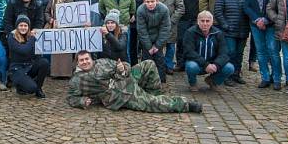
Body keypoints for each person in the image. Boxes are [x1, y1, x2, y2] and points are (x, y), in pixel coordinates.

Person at [67, 51, 202, 113]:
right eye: (81, 60)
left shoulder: (102, 62)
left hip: (126, 78)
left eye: (87, 59)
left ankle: (155, 93)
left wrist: (123, 68)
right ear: (77, 62)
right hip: (120, 95)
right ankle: (186, 105)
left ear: (91, 59)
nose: (85, 62)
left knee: (148, 64)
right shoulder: (77, 80)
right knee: (151, 103)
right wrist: (81, 101)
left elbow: (123, 65)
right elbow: (71, 97)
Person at [244, 0, 281, 89]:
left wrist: (266, 20)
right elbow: (246, 6)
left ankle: (276, 78)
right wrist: (256, 20)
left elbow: (277, 6)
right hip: (255, 25)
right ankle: (265, 77)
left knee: (273, 51)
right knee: (260, 52)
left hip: (271, 24)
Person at [182, 11, 235, 91]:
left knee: (229, 68)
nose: (205, 23)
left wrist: (216, 65)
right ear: (198, 21)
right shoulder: (190, 32)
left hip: (213, 64)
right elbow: (189, 52)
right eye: (202, 21)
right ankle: (192, 83)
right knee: (191, 67)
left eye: (207, 21)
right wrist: (205, 64)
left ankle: (213, 81)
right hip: (197, 63)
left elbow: (224, 53)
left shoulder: (218, 33)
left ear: (212, 22)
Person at [213, 0, 249, 85]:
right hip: (229, 31)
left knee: (239, 54)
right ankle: (227, 76)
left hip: (242, 30)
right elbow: (218, 13)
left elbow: (247, 10)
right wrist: (225, 25)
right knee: (230, 53)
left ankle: (236, 75)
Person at [7, 15, 49, 98]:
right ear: (17, 26)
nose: (23, 28)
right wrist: (33, 39)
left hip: (29, 66)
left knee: (44, 62)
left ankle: (39, 89)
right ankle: (20, 85)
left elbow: (37, 53)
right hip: (17, 69)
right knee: (31, 88)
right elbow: (24, 51)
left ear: (28, 27)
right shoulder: (12, 37)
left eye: (25, 25)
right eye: (21, 25)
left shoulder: (30, 36)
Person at [135, 0, 171, 82]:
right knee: (146, 60)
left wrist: (158, 45)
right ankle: (146, 81)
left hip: (159, 38)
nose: (150, 4)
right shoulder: (140, 10)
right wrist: (149, 46)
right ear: (144, 1)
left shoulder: (164, 9)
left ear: (157, 1)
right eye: (147, 2)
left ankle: (161, 82)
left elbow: (165, 28)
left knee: (160, 60)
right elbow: (141, 30)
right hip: (146, 39)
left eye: (152, 1)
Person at [154, 0, 185, 74]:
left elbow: (180, 8)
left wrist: (171, 20)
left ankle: (168, 66)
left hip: (171, 24)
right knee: (158, 45)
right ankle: (159, 65)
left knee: (171, 46)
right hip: (157, 24)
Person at [45, 0, 75, 78]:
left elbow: (74, 15)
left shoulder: (70, 1)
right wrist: (50, 19)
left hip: (66, 29)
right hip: (55, 28)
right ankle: (55, 72)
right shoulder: (52, 0)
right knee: (56, 51)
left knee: (66, 51)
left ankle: (66, 73)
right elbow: (46, 12)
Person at [176, 0, 202, 71]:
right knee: (181, 41)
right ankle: (180, 63)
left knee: (195, 41)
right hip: (183, 19)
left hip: (196, 19)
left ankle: (194, 62)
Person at [125, 0, 151, 65]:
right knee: (132, 46)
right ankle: (133, 66)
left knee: (145, 45)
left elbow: (148, 4)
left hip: (143, 22)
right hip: (130, 23)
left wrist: (135, 15)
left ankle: (145, 66)